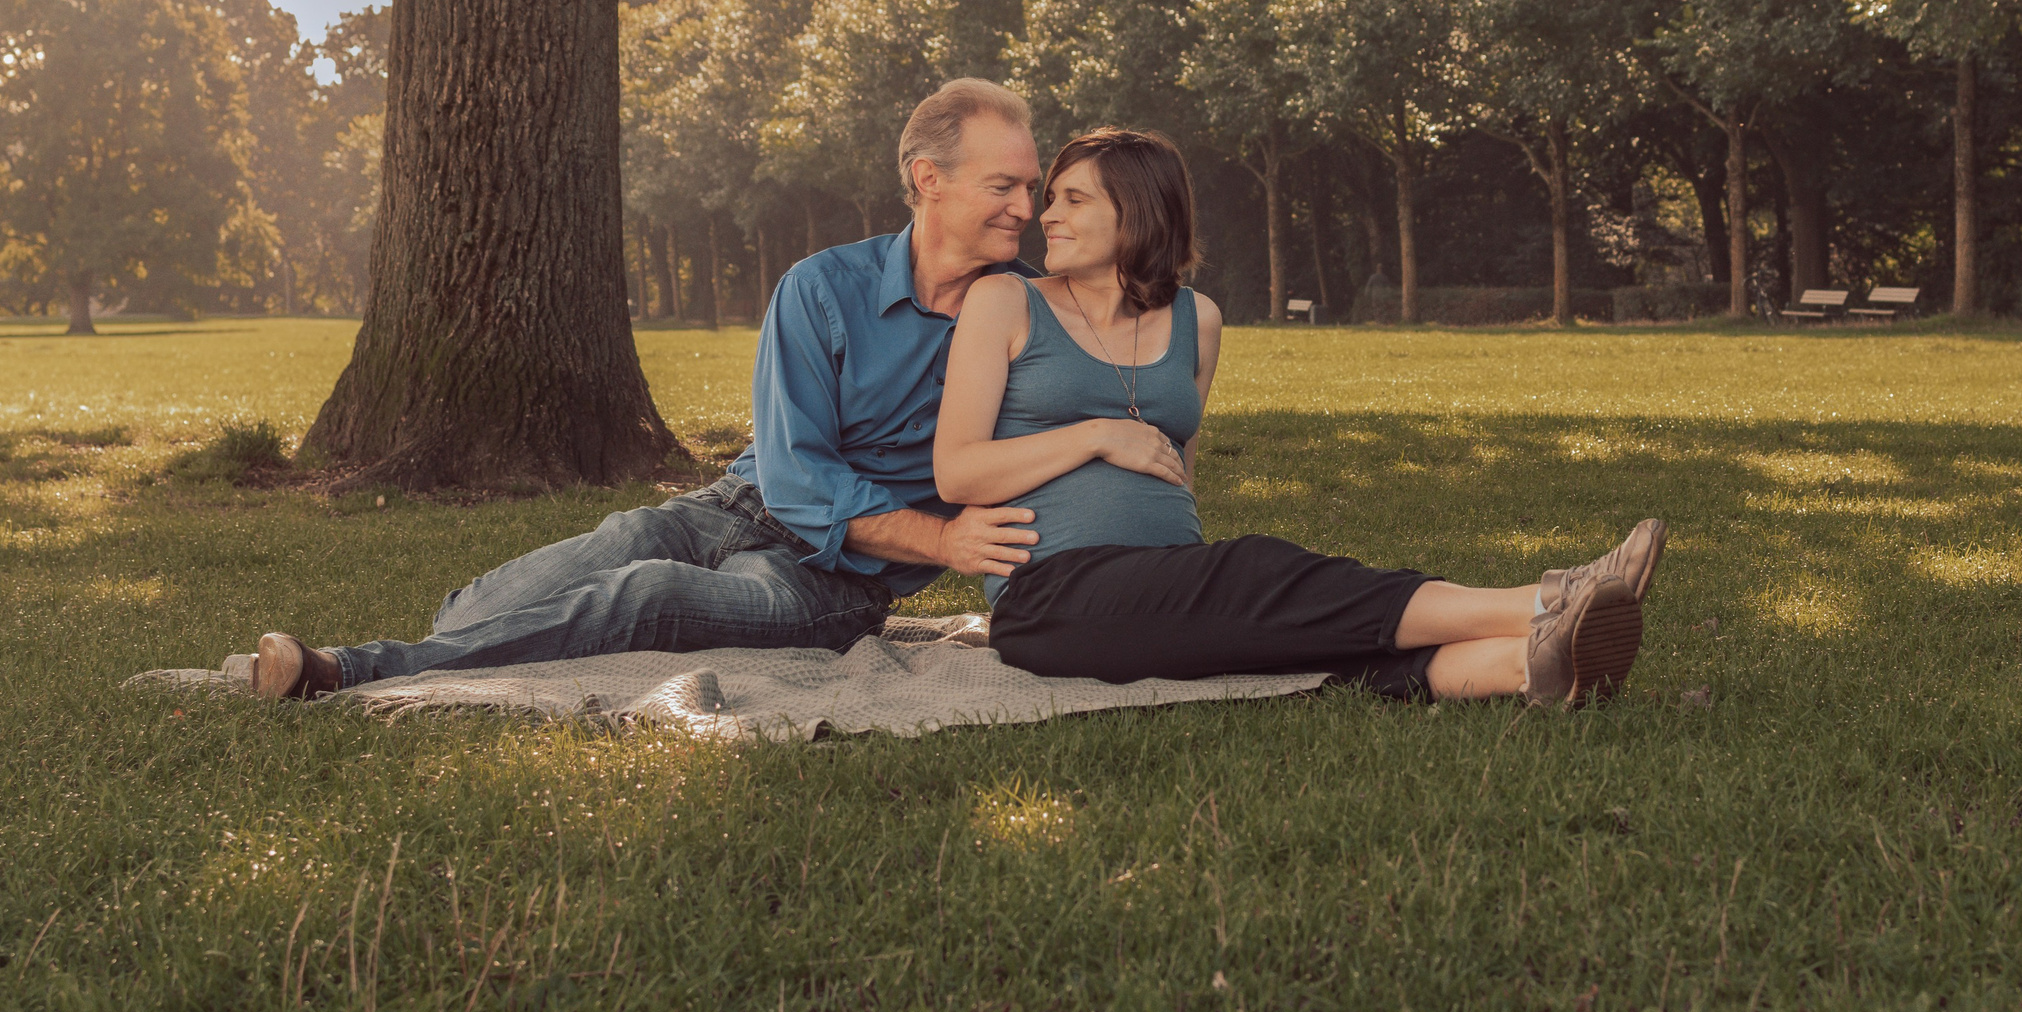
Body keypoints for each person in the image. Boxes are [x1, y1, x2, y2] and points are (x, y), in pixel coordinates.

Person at [247, 78, 1052, 698]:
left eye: (1031, 187)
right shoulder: (823, 288)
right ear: (929, 177)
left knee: (645, 593)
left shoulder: (1029, 318)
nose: (1027, 208)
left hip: (832, 581)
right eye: (1003, 186)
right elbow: (799, 475)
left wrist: (957, 543)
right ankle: (471, 646)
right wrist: (942, 538)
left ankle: (349, 672)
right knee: (482, 607)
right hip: (736, 504)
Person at [934, 127, 1664, 706]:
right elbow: (956, 470)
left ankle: (1526, 665)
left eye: (1072, 199)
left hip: (1170, 576)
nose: (1045, 215)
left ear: (1139, 210)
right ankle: (1548, 598)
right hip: (1051, 598)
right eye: (1050, 197)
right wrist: (1099, 434)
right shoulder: (1006, 301)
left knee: (1284, 643)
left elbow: (1176, 473)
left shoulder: (1199, 320)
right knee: (1258, 573)